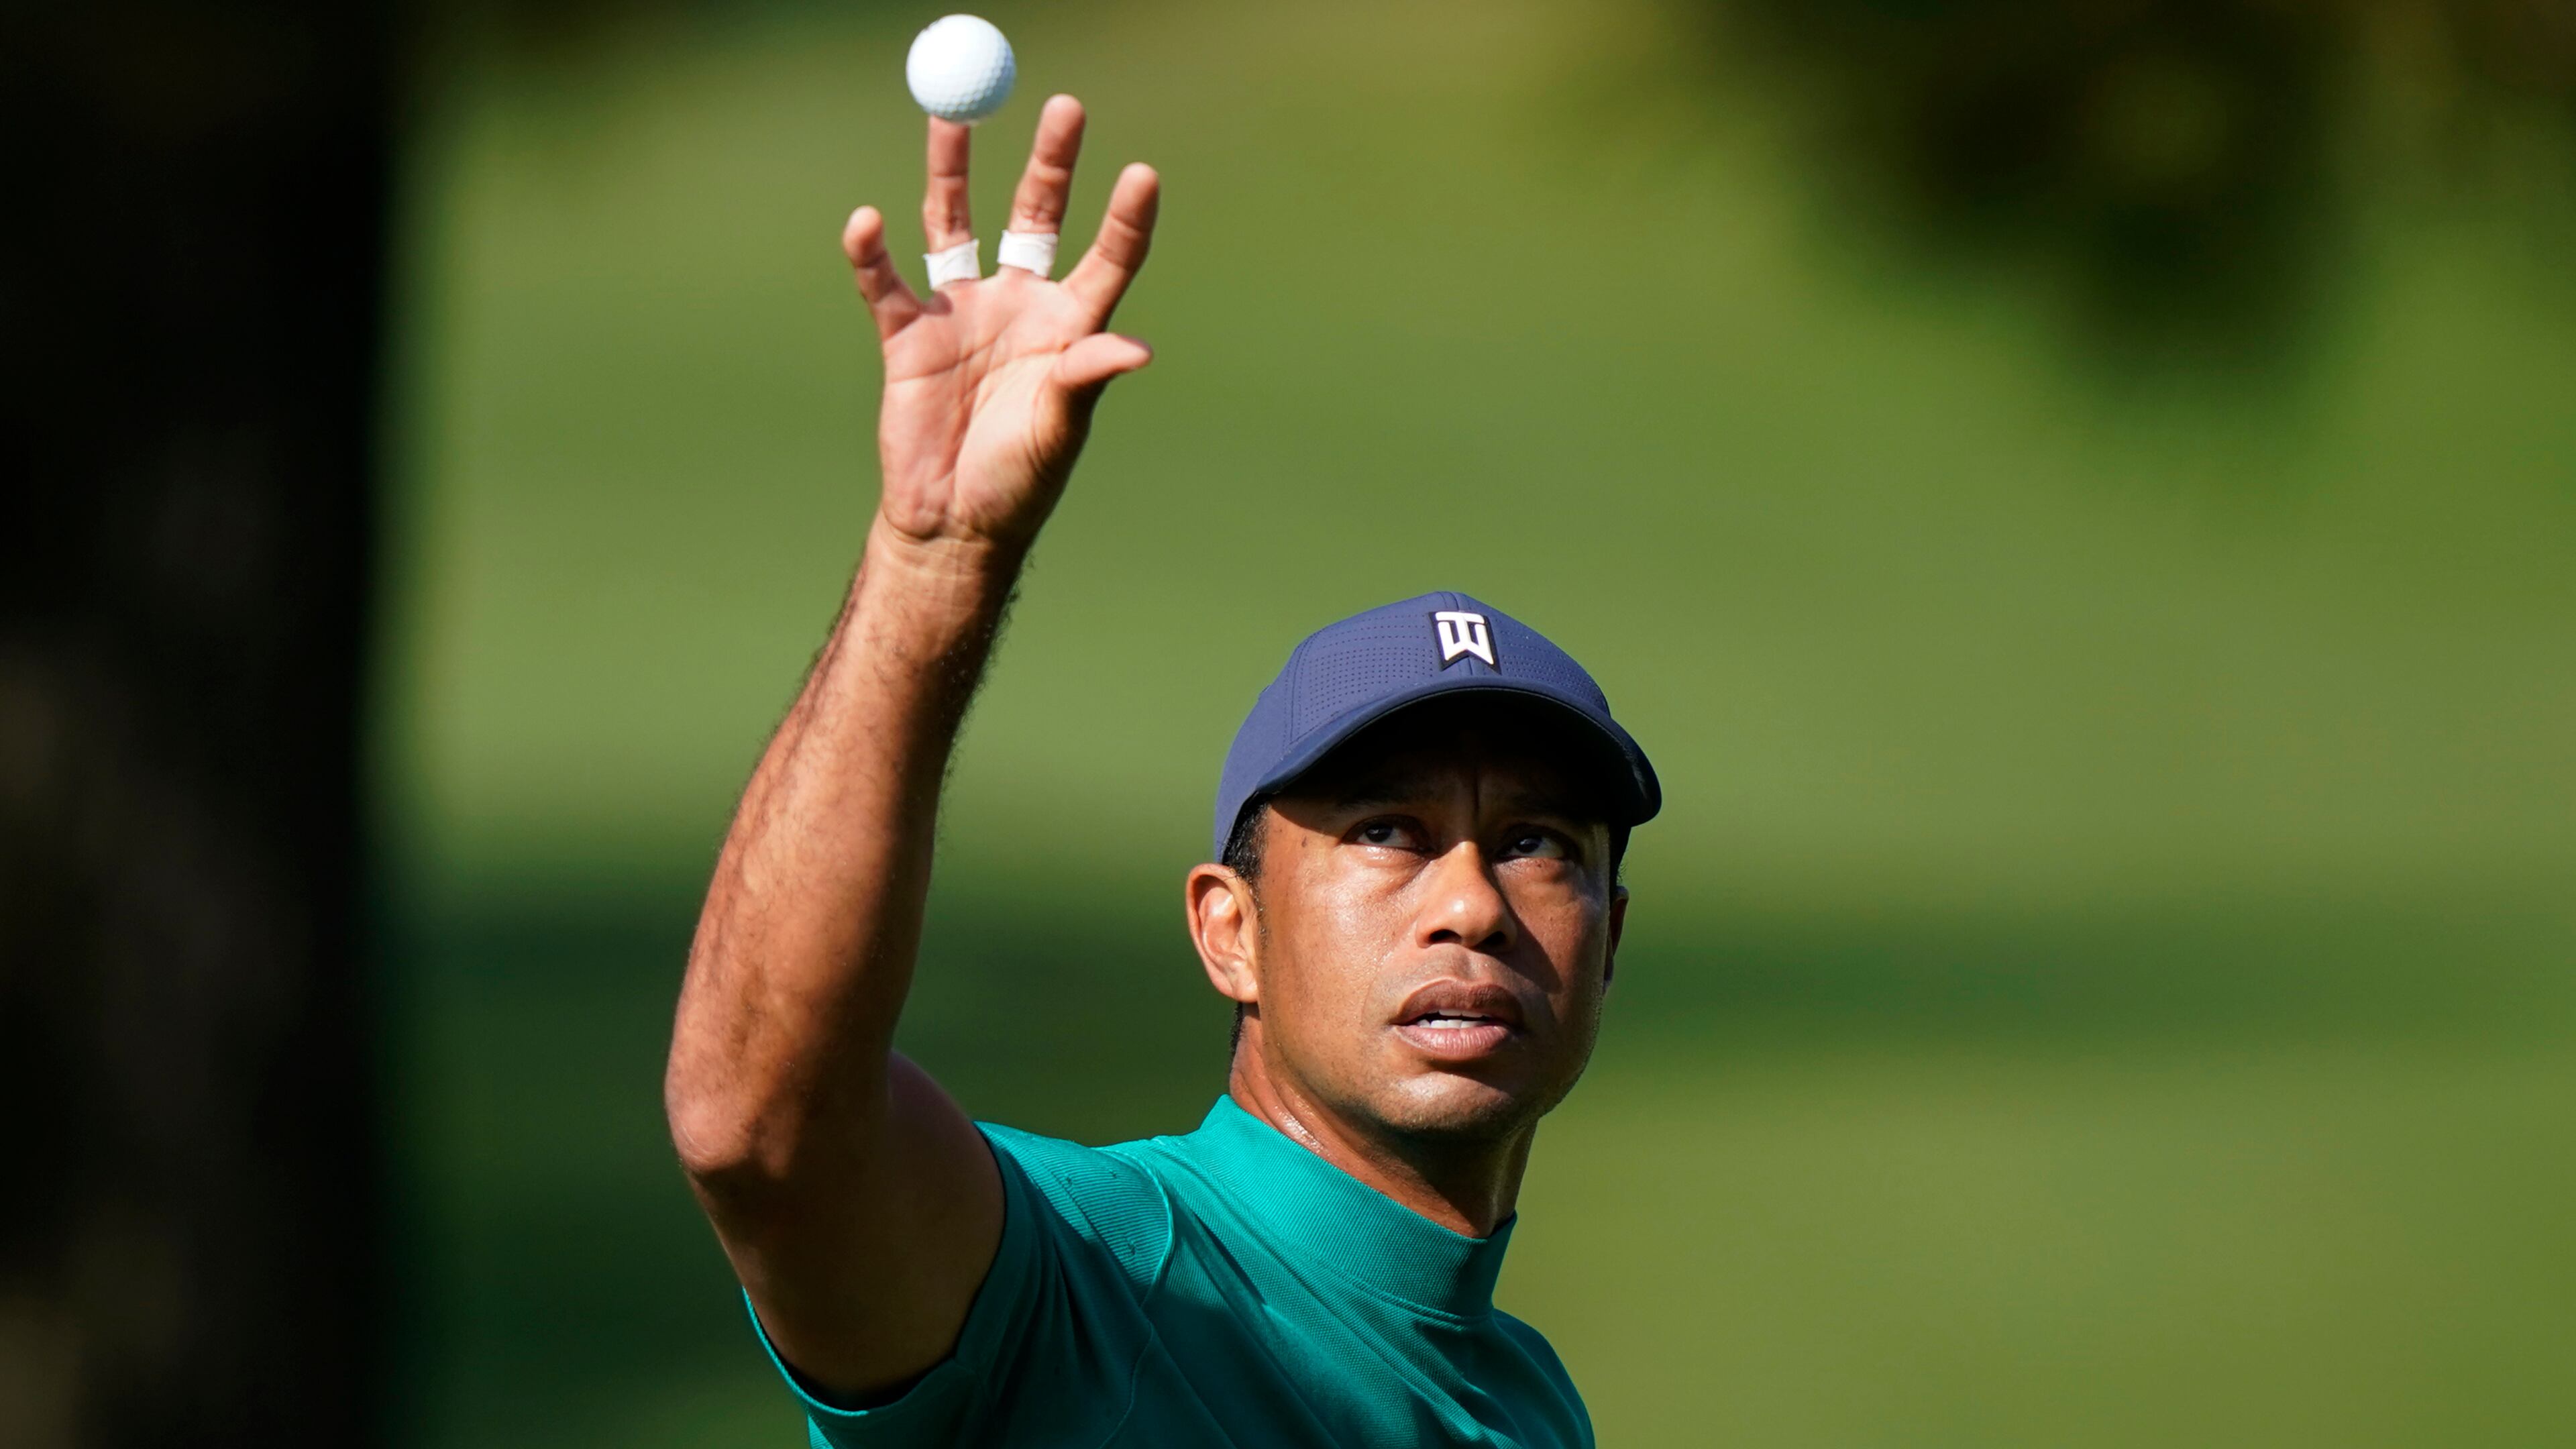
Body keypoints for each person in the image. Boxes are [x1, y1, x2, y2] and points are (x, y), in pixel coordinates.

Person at [663, 97, 1659, 1448]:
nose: (1472, 907)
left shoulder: (1533, 1407)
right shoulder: (1092, 1273)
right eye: (1386, 831)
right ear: (1228, 930)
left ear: (1609, 946)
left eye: (1541, 842)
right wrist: (933, 566)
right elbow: (756, 1128)